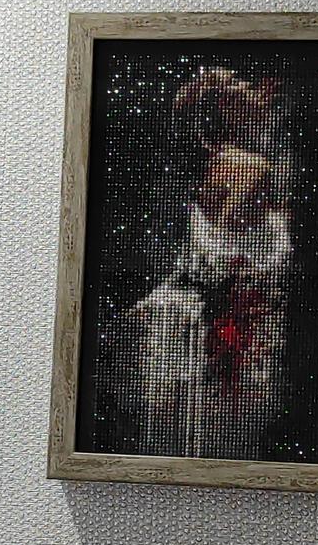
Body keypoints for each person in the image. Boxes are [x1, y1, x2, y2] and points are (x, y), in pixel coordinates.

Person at [114, 67, 294, 460]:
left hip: (203, 316)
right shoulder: (253, 169)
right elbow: (236, 248)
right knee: (222, 434)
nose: (251, 86)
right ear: (227, 108)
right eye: (237, 84)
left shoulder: (207, 169)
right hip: (225, 321)